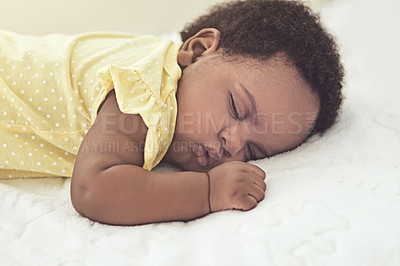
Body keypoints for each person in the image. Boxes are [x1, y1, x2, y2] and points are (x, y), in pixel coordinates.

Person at [0, 0, 344, 225]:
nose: (233, 144)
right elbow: (93, 189)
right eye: (237, 108)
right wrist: (206, 191)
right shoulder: (148, 90)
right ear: (197, 50)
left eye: (253, 152)